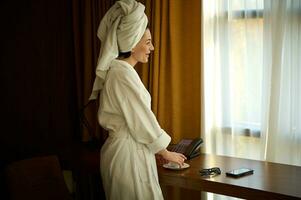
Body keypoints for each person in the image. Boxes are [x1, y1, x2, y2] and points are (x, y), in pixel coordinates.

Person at [89, 0, 187, 199]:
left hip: (130, 151)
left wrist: (159, 150)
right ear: (133, 44)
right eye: (148, 42)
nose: (152, 47)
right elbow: (141, 117)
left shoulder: (121, 72)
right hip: (127, 157)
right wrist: (165, 152)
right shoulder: (121, 74)